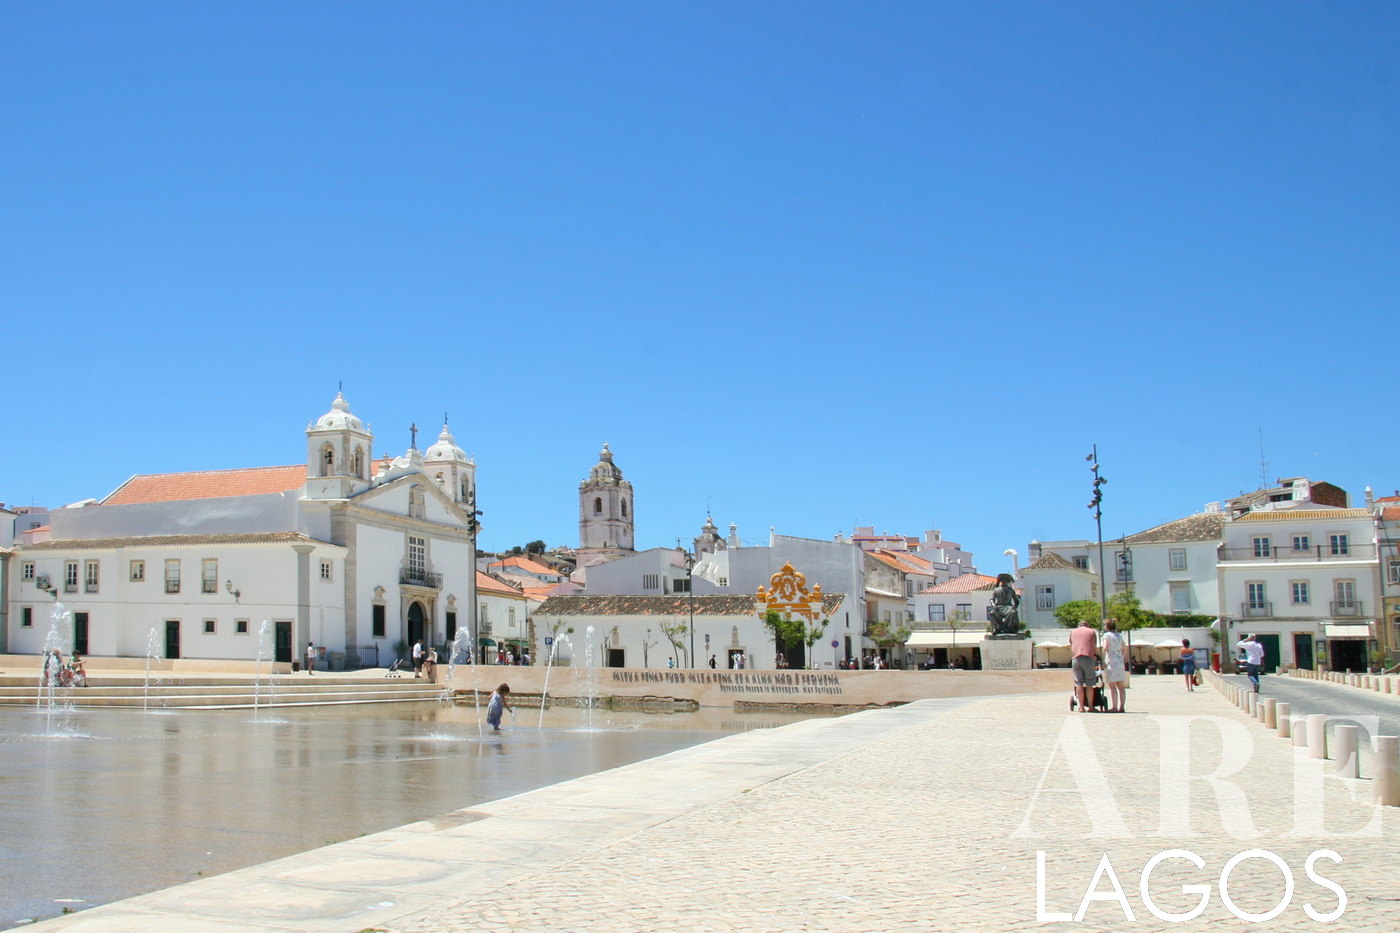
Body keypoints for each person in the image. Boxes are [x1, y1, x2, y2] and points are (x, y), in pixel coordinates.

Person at [1069, 619, 1098, 713]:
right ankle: (1090, 706)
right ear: (1087, 625)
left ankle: (1081, 707)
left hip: (1076, 658)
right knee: (1089, 683)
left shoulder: (1073, 632)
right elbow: (1094, 646)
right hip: (1088, 658)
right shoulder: (1092, 631)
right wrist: (1096, 656)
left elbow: (1071, 644)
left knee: (1079, 683)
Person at [1100, 620, 1128, 713]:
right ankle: (1122, 706)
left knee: (1112, 686)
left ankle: (1114, 707)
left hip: (1111, 662)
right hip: (1119, 662)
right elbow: (1125, 648)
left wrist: (1102, 660)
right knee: (1121, 686)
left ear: (1107, 627)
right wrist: (1121, 657)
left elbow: (1105, 648)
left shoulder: (1107, 636)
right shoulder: (1119, 635)